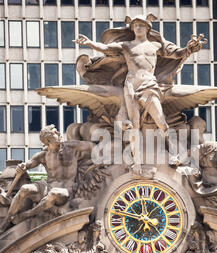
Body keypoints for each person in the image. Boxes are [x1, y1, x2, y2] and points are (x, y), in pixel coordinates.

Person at [73, 14, 207, 175]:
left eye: (141, 25)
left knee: (161, 122)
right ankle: (136, 164)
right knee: (134, 125)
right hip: (130, 85)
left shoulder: (156, 45)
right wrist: (89, 43)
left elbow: (178, 54)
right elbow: (107, 49)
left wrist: (190, 48)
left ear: (147, 28)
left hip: (149, 85)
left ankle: (174, 155)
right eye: (135, 25)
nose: (137, 28)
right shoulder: (126, 45)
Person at [0, 125, 94, 233]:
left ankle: (28, 214)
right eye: (55, 133)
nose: (59, 134)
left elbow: (92, 147)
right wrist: (22, 166)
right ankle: (7, 220)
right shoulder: (44, 155)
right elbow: (29, 164)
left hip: (67, 189)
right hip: (47, 186)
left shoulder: (72, 147)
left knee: (53, 193)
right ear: (48, 140)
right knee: (25, 189)